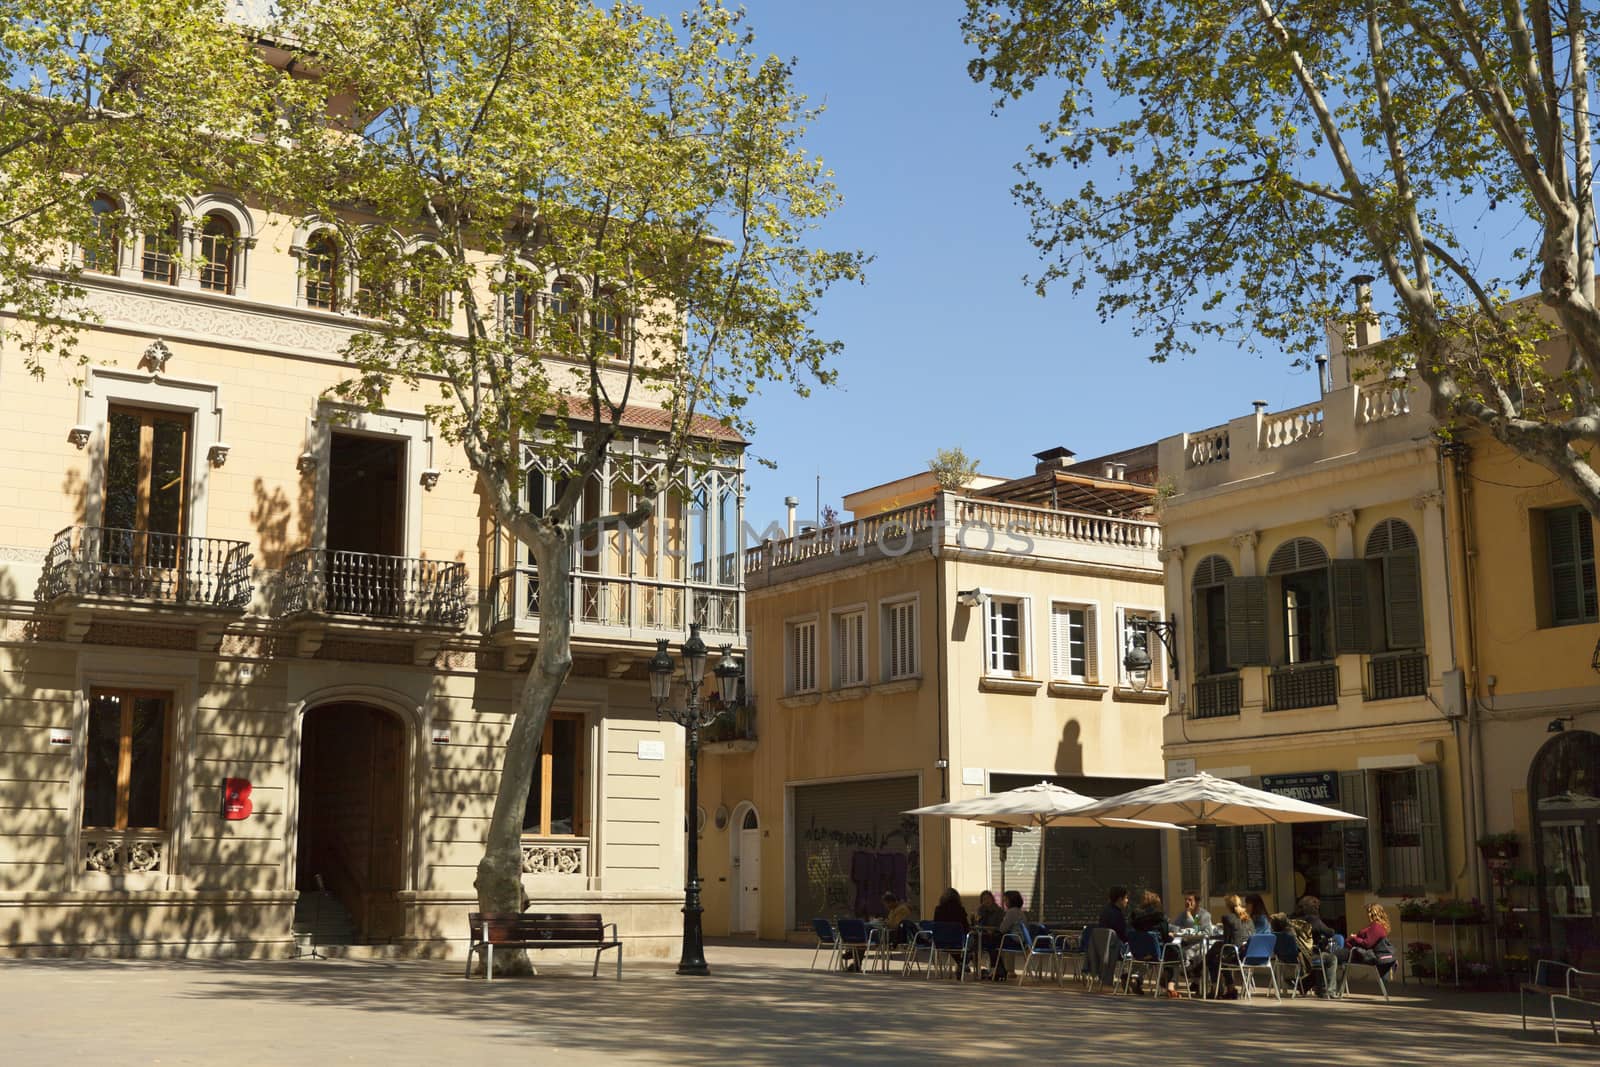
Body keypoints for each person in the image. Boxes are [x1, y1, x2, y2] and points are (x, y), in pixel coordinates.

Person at [1334, 903, 1396, 989]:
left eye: (1368, 912)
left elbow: (1367, 943)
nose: (1367, 915)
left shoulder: (1376, 926)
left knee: (1331, 957)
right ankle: (1333, 987)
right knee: (1332, 957)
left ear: (1372, 914)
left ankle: (1327, 987)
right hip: (1357, 952)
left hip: (1360, 954)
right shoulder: (1377, 926)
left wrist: (1355, 938)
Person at [1205, 894, 1251, 998]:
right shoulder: (1248, 918)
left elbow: (1227, 941)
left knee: (1214, 959)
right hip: (1247, 955)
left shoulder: (1227, 918)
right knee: (1219, 953)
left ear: (1228, 906)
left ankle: (1215, 989)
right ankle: (1230, 989)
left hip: (1235, 955)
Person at [1128, 890, 1171, 995]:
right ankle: (1167, 981)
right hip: (1154, 952)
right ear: (1156, 904)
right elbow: (1165, 937)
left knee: (1147, 953)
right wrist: (1172, 937)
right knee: (1172, 952)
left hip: (1137, 952)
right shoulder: (1160, 918)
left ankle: (1135, 977)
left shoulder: (1135, 917)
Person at [993, 890, 1028, 980]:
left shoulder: (1011, 912)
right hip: (1021, 940)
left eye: (1005, 900)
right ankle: (1006, 969)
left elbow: (1003, 928)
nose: (1004, 903)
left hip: (1014, 940)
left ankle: (997, 968)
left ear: (1011, 900)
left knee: (992, 942)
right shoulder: (1020, 912)